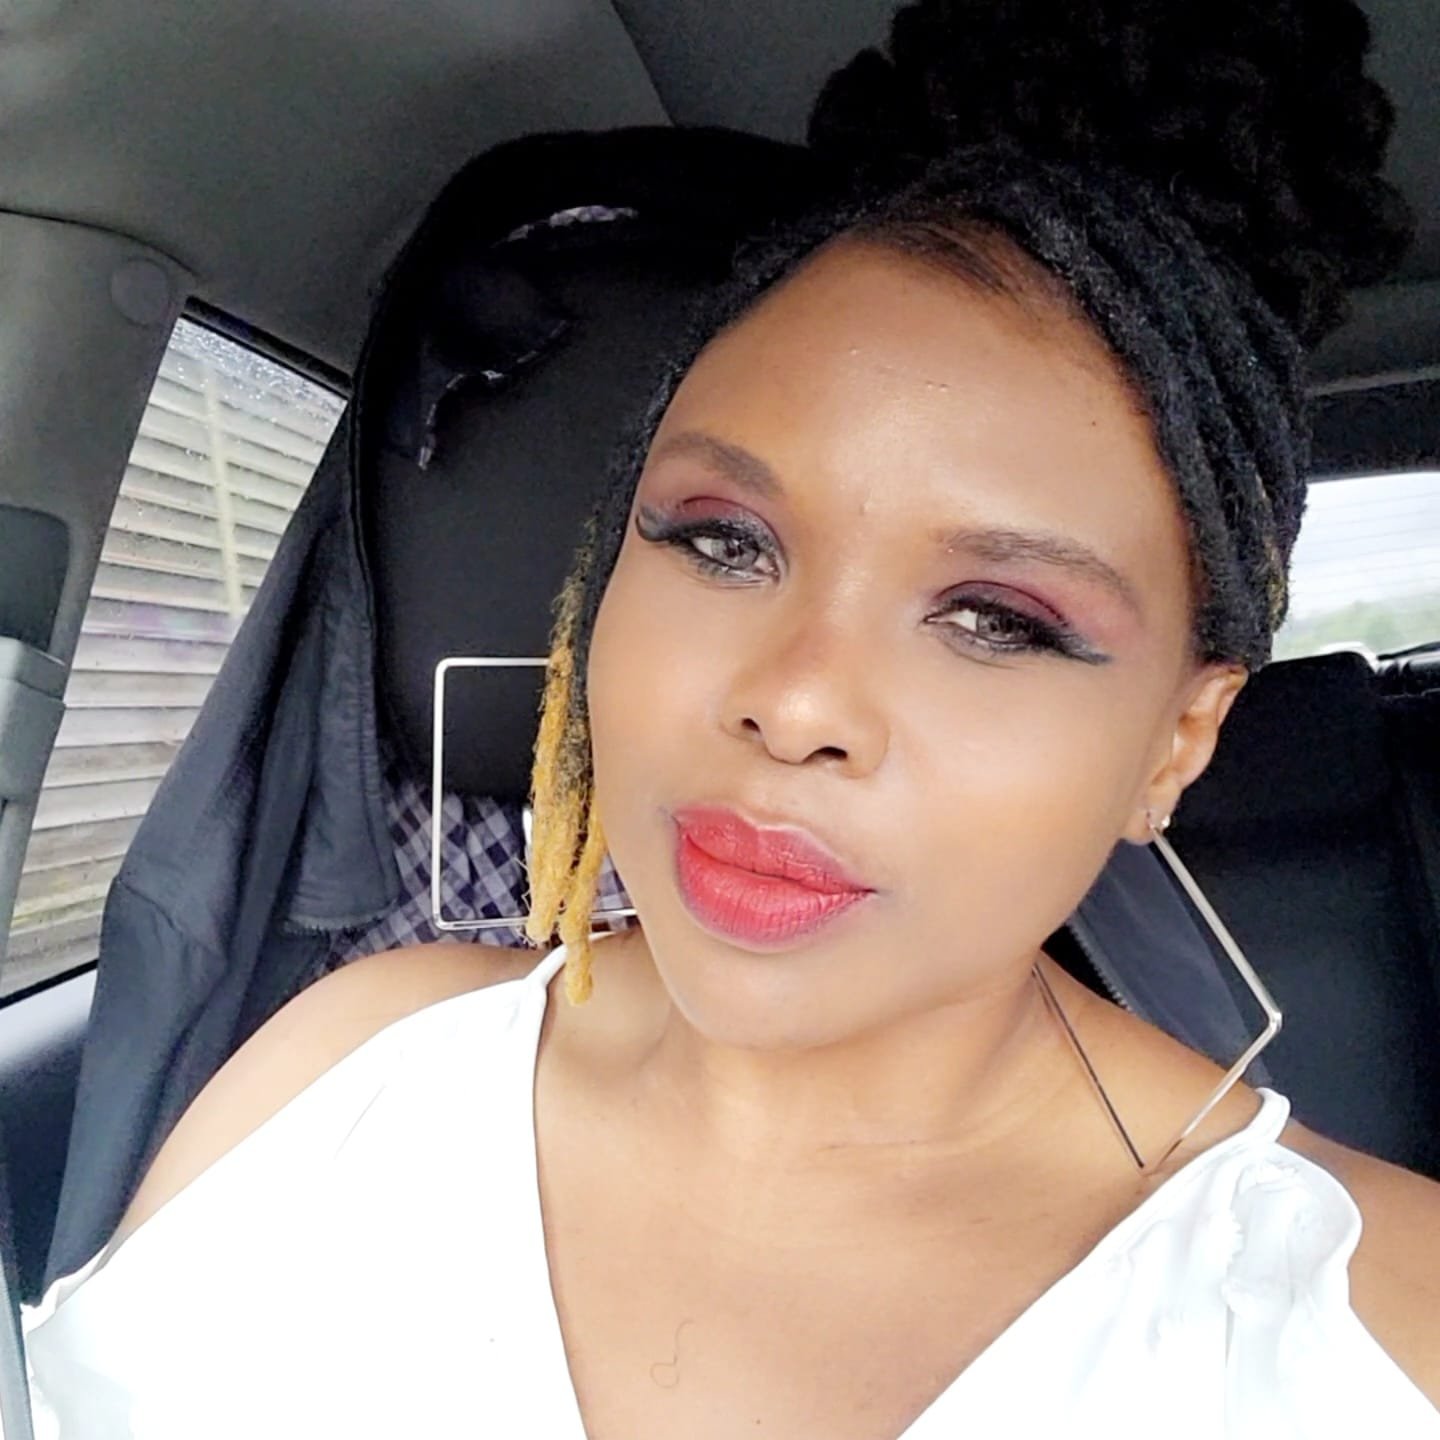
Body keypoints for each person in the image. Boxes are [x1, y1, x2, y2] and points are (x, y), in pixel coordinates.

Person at [24, 1, 1440, 1434]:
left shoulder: (1383, 1323)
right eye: (722, 541)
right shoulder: (348, 1059)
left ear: (1178, 741)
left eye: (995, 619)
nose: (794, 701)